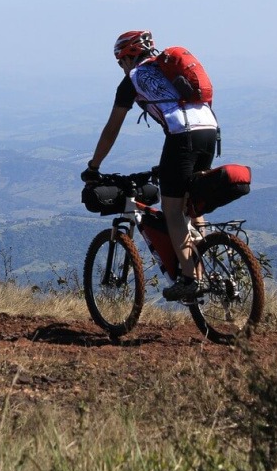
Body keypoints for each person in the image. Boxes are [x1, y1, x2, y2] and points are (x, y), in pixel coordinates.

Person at [81, 30, 219, 302]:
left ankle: (191, 279)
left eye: (120, 62)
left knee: (172, 212)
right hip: (211, 132)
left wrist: (94, 166)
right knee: (192, 203)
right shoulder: (167, 70)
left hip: (183, 136)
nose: (121, 68)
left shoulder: (133, 79)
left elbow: (112, 129)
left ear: (128, 57)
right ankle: (204, 253)